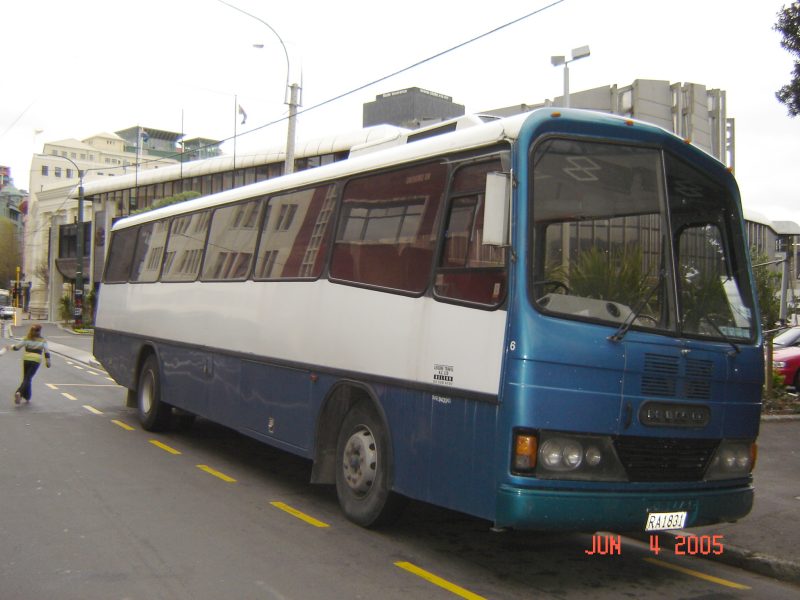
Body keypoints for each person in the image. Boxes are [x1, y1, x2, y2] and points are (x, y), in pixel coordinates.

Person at [11, 324, 51, 405]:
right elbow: (46, 352)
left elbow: (17, 347)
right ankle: (19, 393)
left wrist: (11, 347)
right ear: (39, 331)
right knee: (28, 378)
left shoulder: (27, 338)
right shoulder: (43, 341)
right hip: (36, 361)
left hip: (26, 360)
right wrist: (48, 362)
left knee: (26, 378)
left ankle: (27, 397)